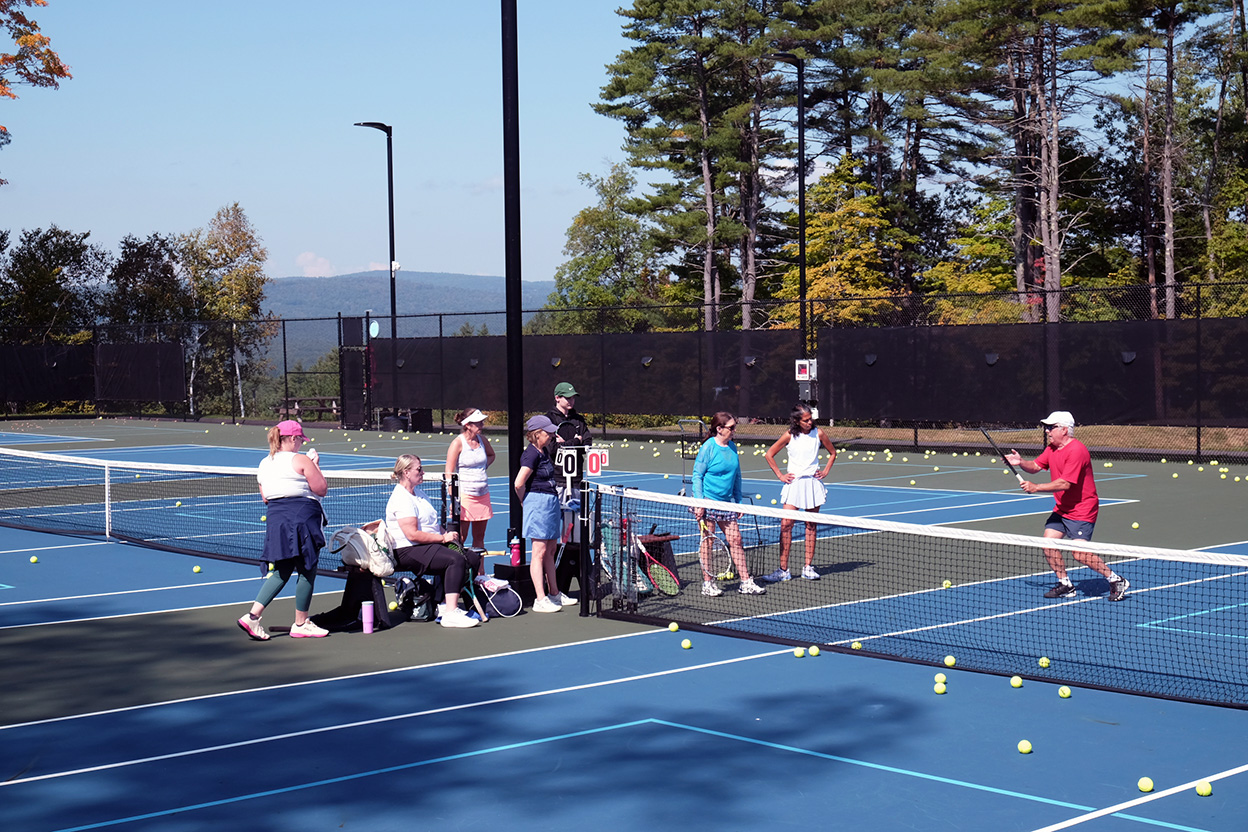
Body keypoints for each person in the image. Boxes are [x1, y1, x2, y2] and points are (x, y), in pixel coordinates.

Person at [1004, 411, 1130, 602]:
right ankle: (1066, 585)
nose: (1047, 431)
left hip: (1082, 509)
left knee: (1079, 553)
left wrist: (1036, 487)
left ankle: (1115, 580)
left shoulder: (1077, 451)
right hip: (1062, 508)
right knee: (1048, 543)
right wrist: (1021, 462)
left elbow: (1065, 484)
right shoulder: (1052, 449)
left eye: (1051, 427)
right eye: (1047, 427)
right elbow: (1036, 466)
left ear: (1064, 430)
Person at [238, 420, 330, 640]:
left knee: (282, 569)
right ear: (292, 439)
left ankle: (253, 616)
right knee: (307, 568)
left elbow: (265, 497)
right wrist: (315, 464)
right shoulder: (301, 460)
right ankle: (301, 623)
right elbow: (321, 489)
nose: (300, 443)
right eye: (300, 439)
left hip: (276, 520)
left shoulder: (264, 463)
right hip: (301, 518)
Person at [385, 454, 482, 629]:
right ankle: (451, 613)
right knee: (455, 560)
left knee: (472, 558)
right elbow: (412, 534)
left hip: (429, 544)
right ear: (406, 472)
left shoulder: (419, 494)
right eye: (419, 469)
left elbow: (433, 526)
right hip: (408, 549)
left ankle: (444, 604)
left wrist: (449, 537)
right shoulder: (401, 498)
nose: (423, 472)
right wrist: (442, 538)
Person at [692, 411, 765, 597]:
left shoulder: (732, 447)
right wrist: (699, 503)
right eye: (731, 428)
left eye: (734, 427)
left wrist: (738, 501)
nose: (734, 431)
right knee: (708, 541)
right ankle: (708, 584)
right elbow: (697, 475)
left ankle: (746, 582)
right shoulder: (708, 447)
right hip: (707, 501)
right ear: (719, 429)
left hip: (726, 503)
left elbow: (737, 475)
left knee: (736, 540)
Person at [762, 403, 837, 582]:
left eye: (811, 419)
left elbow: (833, 453)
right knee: (786, 525)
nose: (810, 422)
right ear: (797, 421)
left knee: (811, 526)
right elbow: (769, 454)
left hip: (812, 484)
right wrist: (780, 475)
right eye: (806, 420)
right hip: (794, 485)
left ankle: (808, 567)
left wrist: (825, 471)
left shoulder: (818, 433)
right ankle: (783, 570)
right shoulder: (789, 435)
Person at [514, 415, 577, 612]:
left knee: (551, 550)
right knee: (539, 553)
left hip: (550, 503)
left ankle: (555, 594)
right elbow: (518, 483)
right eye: (547, 432)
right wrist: (525, 502)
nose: (551, 435)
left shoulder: (543, 452)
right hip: (538, 503)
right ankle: (540, 599)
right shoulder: (530, 454)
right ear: (536, 434)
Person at [445, 408, 495, 549]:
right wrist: (453, 498)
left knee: (479, 538)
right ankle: (460, 569)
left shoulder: (482, 440)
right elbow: (449, 472)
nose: (481, 425)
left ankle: (480, 571)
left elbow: (491, 455)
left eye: (481, 422)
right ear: (468, 425)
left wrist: (482, 468)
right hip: (465, 496)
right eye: (478, 423)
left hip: (483, 495)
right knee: (460, 537)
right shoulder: (457, 443)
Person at [546, 381, 591, 447]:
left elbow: (587, 443)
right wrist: (577, 441)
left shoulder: (579, 419)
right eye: (568, 398)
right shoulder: (549, 419)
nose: (571, 401)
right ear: (557, 398)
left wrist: (563, 444)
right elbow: (551, 448)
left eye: (573, 397)